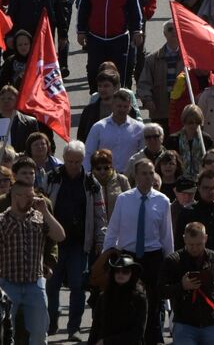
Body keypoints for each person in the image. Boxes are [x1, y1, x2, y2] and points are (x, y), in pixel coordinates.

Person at [0, 179, 66, 345]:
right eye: (21, 195)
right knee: (5, 333)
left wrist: (46, 212)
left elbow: (60, 236)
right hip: (8, 284)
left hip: (35, 284)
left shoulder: (40, 218)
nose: (27, 199)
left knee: (39, 335)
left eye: (30, 195)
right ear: (13, 196)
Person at [103, 158, 173, 344]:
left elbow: (166, 236)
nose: (148, 177)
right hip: (128, 257)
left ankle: (152, 339)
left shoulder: (163, 201)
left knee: (153, 303)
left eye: (151, 173)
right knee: (127, 301)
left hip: (153, 257)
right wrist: (105, 256)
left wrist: (169, 264)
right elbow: (113, 230)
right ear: (135, 175)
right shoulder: (124, 199)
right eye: (144, 173)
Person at [45, 140, 105, 339]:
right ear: (64, 159)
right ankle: (51, 322)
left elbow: (99, 214)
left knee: (78, 285)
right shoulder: (52, 178)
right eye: (69, 161)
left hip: (79, 243)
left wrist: (100, 240)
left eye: (77, 162)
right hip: (54, 242)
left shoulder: (91, 183)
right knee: (51, 285)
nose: (73, 165)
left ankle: (74, 328)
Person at [159, 221, 214, 345]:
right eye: (191, 245)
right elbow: (161, 291)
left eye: (199, 244)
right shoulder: (173, 261)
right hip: (184, 323)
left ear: (205, 238)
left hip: (211, 323)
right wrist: (182, 286)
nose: (195, 248)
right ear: (184, 239)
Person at [78, 0, 144, 88]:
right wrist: (81, 31)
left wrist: (137, 31)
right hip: (96, 38)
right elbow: (83, 10)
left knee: (120, 71)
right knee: (93, 70)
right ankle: (95, 96)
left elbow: (135, 11)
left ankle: (120, 95)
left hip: (119, 38)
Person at [90, 253, 148, 345]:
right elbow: (95, 327)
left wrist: (108, 342)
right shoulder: (104, 296)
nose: (120, 274)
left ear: (132, 274)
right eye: (117, 271)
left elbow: (138, 332)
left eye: (125, 271)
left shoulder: (139, 298)